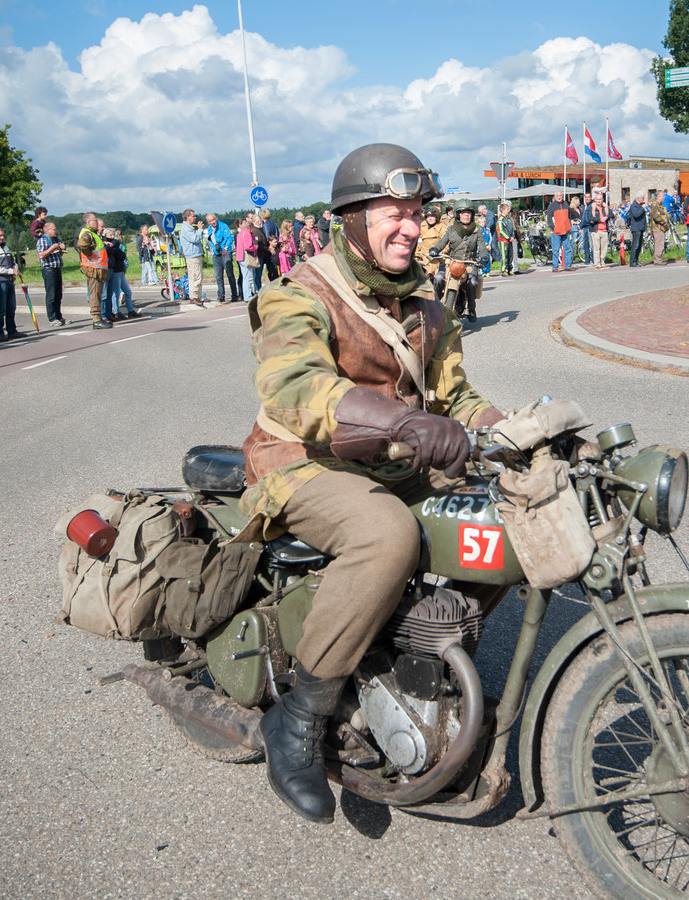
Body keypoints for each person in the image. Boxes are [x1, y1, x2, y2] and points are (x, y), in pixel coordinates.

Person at [240, 143, 503, 826]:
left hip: (389, 461)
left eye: (417, 214)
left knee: (501, 522)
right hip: (304, 460)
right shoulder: (299, 293)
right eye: (393, 213)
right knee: (387, 536)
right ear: (351, 219)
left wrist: (519, 431)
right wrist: (404, 423)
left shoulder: (425, 304)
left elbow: (459, 398)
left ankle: (424, 659)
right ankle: (300, 713)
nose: (410, 228)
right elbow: (296, 387)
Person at [429, 199, 489, 321]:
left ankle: (471, 308)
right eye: (463, 212)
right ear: (457, 214)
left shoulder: (477, 232)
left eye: (469, 212)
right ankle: (434, 305)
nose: (466, 215)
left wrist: (483, 258)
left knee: (472, 282)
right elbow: (442, 242)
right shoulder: (451, 229)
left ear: (472, 215)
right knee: (438, 278)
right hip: (451, 263)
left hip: (469, 264)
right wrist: (435, 249)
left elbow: (482, 248)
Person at [75, 213, 110, 328]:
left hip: (98, 268)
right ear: (89, 222)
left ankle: (98, 318)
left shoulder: (92, 233)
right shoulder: (87, 233)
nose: (97, 222)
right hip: (93, 268)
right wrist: (89, 254)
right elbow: (81, 245)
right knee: (95, 294)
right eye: (95, 220)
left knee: (98, 294)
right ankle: (96, 320)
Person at [36, 222, 67, 326]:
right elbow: (41, 255)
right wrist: (52, 248)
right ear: (47, 230)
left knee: (59, 295)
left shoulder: (55, 241)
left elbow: (58, 254)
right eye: (54, 229)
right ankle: (52, 318)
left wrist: (61, 249)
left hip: (57, 269)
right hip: (49, 270)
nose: (56, 231)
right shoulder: (43, 240)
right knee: (51, 295)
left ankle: (59, 316)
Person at [205, 213, 239, 302]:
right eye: (210, 221)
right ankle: (221, 295)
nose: (213, 222)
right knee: (218, 276)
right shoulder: (209, 229)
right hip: (216, 254)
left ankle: (234, 295)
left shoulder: (223, 226)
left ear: (216, 218)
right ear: (208, 222)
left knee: (230, 274)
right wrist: (212, 248)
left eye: (213, 219)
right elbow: (210, 241)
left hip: (225, 252)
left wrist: (226, 248)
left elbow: (229, 238)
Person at [177, 209, 205, 306]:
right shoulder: (186, 229)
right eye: (193, 216)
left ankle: (199, 296)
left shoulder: (189, 228)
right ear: (188, 217)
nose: (195, 217)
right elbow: (195, 239)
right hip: (192, 256)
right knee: (195, 276)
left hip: (196, 255)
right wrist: (200, 229)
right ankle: (194, 297)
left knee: (199, 276)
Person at [545, 190, 572, 271]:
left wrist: (569, 225)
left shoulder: (566, 204)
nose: (559, 197)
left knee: (567, 249)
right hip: (556, 232)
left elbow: (569, 215)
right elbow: (549, 218)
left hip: (565, 230)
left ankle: (568, 266)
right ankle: (555, 267)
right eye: (557, 196)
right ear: (555, 196)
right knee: (556, 250)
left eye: (560, 195)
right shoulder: (552, 206)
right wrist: (553, 228)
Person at [235, 216, 258, 304]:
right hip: (245, 258)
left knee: (245, 277)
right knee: (248, 278)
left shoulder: (240, 233)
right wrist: (255, 247)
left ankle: (246, 295)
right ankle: (248, 296)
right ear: (249, 227)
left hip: (239, 257)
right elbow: (248, 247)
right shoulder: (247, 234)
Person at [587, 195, 611, 269]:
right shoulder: (592, 208)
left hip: (604, 230)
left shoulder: (605, 207)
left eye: (600, 199)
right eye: (597, 199)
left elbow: (612, 214)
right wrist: (600, 219)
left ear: (602, 199)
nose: (599, 201)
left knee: (604, 249)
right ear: (595, 200)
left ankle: (602, 262)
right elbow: (590, 218)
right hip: (596, 230)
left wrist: (606, 217)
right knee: (596, 248)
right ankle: (597, 264)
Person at [495, 203, 517, 276]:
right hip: (504, 241)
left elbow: (512, 229)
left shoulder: (508, 219)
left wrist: (513, 236)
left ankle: (510, 269)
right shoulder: (501, 219)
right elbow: (501, 231)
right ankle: (504, 269)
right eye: (507, 209)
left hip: (510, 240)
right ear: (503, 210)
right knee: (505, 256)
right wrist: (508, 237)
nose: (508, 210)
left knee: (510, 255)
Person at [626, 194, 648, 266]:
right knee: (635, 245)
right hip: (636, 228)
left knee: (639, 246)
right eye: (642, 198)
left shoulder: (639, 205)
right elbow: (636, 214)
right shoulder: (634, 206)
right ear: (638, 198)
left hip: (641, 228)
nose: (643, 200)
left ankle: (636, 260)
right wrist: (642, 208)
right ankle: (632, 261)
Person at [648, 192, 670, 265]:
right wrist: (664, 222)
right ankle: (657, 259)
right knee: (658, 243)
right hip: (657, 227)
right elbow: (655, 216)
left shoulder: (661, 205)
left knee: (661, 243)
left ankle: (659, 258)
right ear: (658, 197)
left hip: (661, 227)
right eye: (663, 196)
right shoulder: (654, 204)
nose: (664, 197)